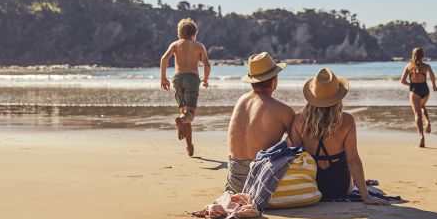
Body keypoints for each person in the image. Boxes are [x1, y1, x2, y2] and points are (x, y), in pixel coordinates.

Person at [289, 68, 388, 205]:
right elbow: (353, 160)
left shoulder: (298, 120)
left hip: (311, 186)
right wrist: (366, 196)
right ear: (338, 97)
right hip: (340, 187)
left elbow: (296, 158)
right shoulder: (347, 120)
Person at [225, 52, 295, 194]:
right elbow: (299, 140)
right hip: (260, 181)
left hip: (235, 182)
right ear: (275, 79)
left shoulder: (241, 101)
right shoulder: (283, 110)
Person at [160, 18, 211, 156]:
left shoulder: (175, 44)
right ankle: (180, 120)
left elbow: (164, 59)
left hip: (177, 79)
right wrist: (205, 79)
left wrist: (163, 78)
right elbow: (207, 64)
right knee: (190, 115)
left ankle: (189, 146)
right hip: (192, 79)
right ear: (194, 33)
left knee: (185, 112)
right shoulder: (199, 46)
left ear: (179, 33)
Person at [400, 47, 437, 148]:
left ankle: (421, 136)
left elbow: (402, 81)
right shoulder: (427, 66)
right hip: (425, 90)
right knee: (422, 106)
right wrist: (434, 85)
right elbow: (432, 76)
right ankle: (428, 121)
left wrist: (411, 85)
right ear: (423, 55)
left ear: (413, 55)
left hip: (414, 91)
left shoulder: (408, 66)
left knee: (417, 114)